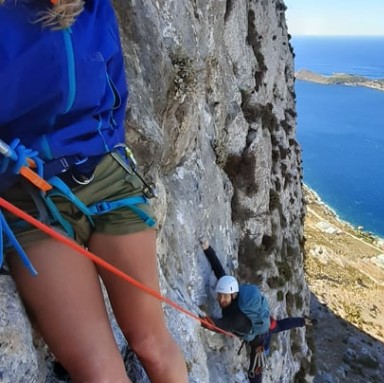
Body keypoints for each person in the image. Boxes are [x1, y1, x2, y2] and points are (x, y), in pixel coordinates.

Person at [0, 1, 188, 382]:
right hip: (28, 196)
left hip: (105, 177)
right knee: (102, 375)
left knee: (152, 344)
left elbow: (115, 86)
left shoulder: (94, 8)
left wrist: (108, 145)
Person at [200, 238, 308, 383]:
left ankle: (302, 321)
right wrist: (208, 249)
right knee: (278, 326)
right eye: (219, 295)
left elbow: (218, 325)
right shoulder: (233, 289)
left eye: (224, 296)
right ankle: (303, 321)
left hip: (260, 344)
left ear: (233, 294)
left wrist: (198, 316)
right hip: (264, 325)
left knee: (255, 375)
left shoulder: (236, 318)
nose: (221, 300)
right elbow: (219, 271)